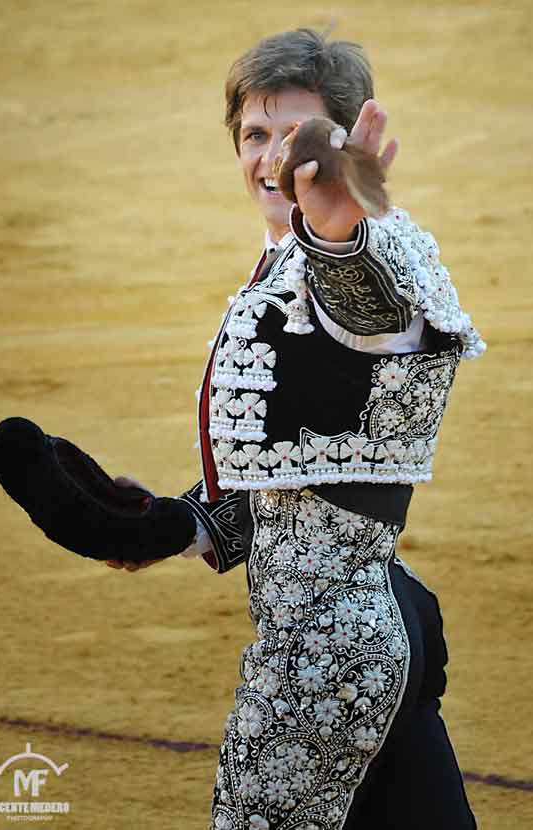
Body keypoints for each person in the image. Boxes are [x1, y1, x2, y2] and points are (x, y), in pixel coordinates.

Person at [107, 28, 483, 830]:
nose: (275, 157)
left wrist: (337, 235)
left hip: (320, 657)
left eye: (301, 136)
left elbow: (370, 307)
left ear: (350, 148)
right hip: (376, 623)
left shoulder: (364, 250)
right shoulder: (281, 261)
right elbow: (315, 465)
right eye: (255, 135)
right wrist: (184, 524)